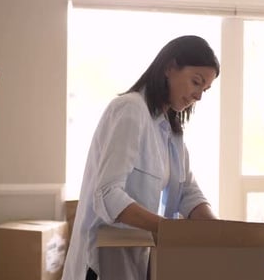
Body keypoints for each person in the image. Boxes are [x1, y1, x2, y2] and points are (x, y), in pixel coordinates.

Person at [61, 35, 220, 280]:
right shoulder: (130, 109)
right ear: (170, 67)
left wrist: (220, 232)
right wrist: (168, 230)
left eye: (205, 89)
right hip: (99, 264)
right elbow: (107, 194)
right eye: (196, 82)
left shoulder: (171, 129)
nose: (198, 96)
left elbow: (188, 191)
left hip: (138, 258)